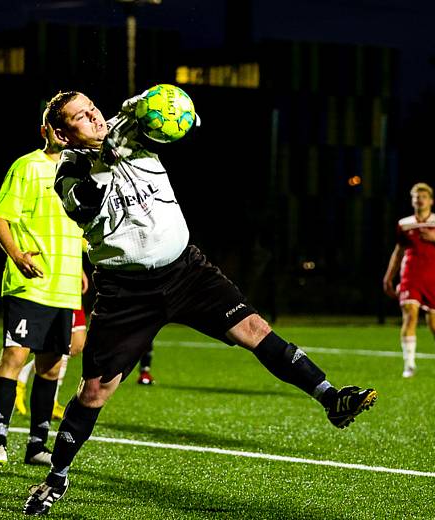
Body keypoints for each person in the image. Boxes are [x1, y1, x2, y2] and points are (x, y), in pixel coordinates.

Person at [22, 90, 377, 516]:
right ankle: (55, 477)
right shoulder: (69, 171)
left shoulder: (127, 129)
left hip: (187, 270)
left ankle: (331, 398)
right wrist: (107, 156)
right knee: (94, 391)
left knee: (255, 330)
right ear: (63, 133)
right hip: (127, 291)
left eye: (93, 108)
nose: (94, 116)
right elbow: (85, 204)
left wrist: (147, 106)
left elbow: (160, 107)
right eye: (81, 117)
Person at [0, 108, 88, 468]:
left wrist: (80, 263)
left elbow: (80, 224)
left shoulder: (82, 170)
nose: (61, 133)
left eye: (66, 127)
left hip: (64, 284)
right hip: (31, 282)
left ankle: (36, 446)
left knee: (51, 367)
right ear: (45, 130)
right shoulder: (27, 166)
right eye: (55, 127)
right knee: (15, 356)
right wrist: (15, 254)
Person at [382, 183, 435, 378]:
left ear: (431, 200)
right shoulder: (404, 224)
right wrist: (389, 277)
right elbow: (399, 251)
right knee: (409, 317)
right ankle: (409, 365)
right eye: (416, 196)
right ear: (412, 200)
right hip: (410, 278)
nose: (419, 199)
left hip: (433, 281)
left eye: (423, 196)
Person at [15, 307, 88, 420]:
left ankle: (22, 376)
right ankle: (52, 402)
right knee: (63, 343)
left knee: (77, 344)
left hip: (74, 293)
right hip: (60, 294)